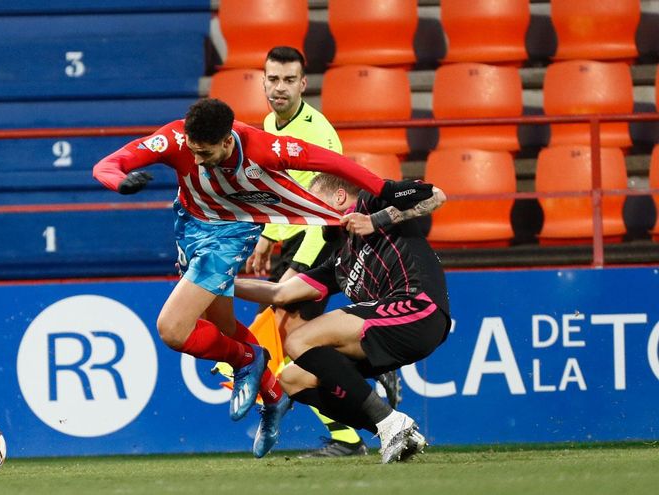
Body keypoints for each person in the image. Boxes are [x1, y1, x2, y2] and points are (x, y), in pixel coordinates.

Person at [92, 98, 433, 458]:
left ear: (227, 141)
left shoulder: (263, 148)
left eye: (204, 153)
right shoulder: (177, 139)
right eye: (192, 151)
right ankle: (273, 396)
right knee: (223, 329)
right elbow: (108, 164)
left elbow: (329, 161)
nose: (195, 160)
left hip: (230, 235)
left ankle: (248, 359)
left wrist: (382, 189)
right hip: (190, 227)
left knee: (172, 328)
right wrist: (121, 182)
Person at [234, 173, 451, 463]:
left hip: (418, 310)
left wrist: (376, 220)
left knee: (299, 339)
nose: (307, 214)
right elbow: (280, 293)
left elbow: (436, 195)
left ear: (338, 197)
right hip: (393, 330)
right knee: (293, 379)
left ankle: (389, 421)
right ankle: (393, 430)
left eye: (312, 203)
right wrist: (220, 284)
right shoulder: (340, 260)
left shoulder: (372, 202)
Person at [248, 45, 388, 458]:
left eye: (289, 80)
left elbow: (327, 206)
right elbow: (278, 194)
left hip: (321, 242)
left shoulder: (318, 133)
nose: (280, 88)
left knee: (293, 335)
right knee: (296, 338)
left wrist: (301, 270)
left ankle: (353, 426)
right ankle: (370, 378)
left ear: (303, 85)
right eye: (273, 79)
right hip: (293, 238)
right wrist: (266, 238)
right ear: (264, 81)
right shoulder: (268, 125)